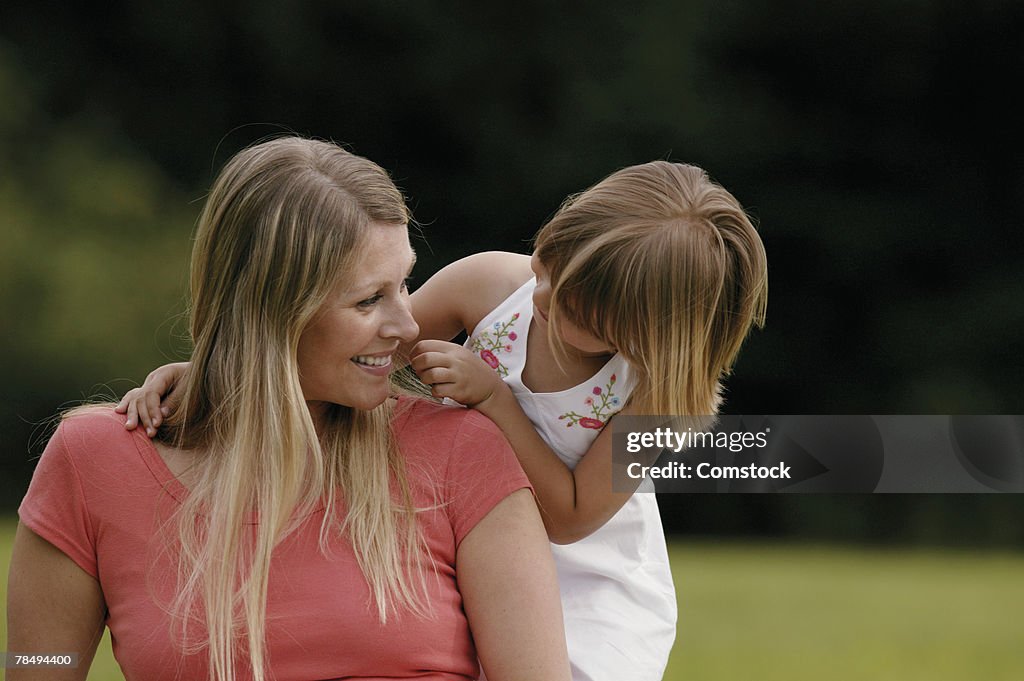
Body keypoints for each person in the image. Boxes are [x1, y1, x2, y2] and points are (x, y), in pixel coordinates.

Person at [118, 160, 768, 681]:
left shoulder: (652, 396)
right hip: (474, 535)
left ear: (642, 331)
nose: (540, 298)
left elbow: (571, 517)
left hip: (588, 583)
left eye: (574, 308)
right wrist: (207, 374)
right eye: (546, 265)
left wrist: (495, 402)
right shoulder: (490, 285)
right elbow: (354, 348)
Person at [7, 137, 571, 681]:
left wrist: (644, 431)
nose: (409, 326)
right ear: (270, 312)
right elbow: (39, 668)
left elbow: (613, 489)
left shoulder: (494, 432)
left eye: (404, 285)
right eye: (371, 298)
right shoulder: (92, 460)